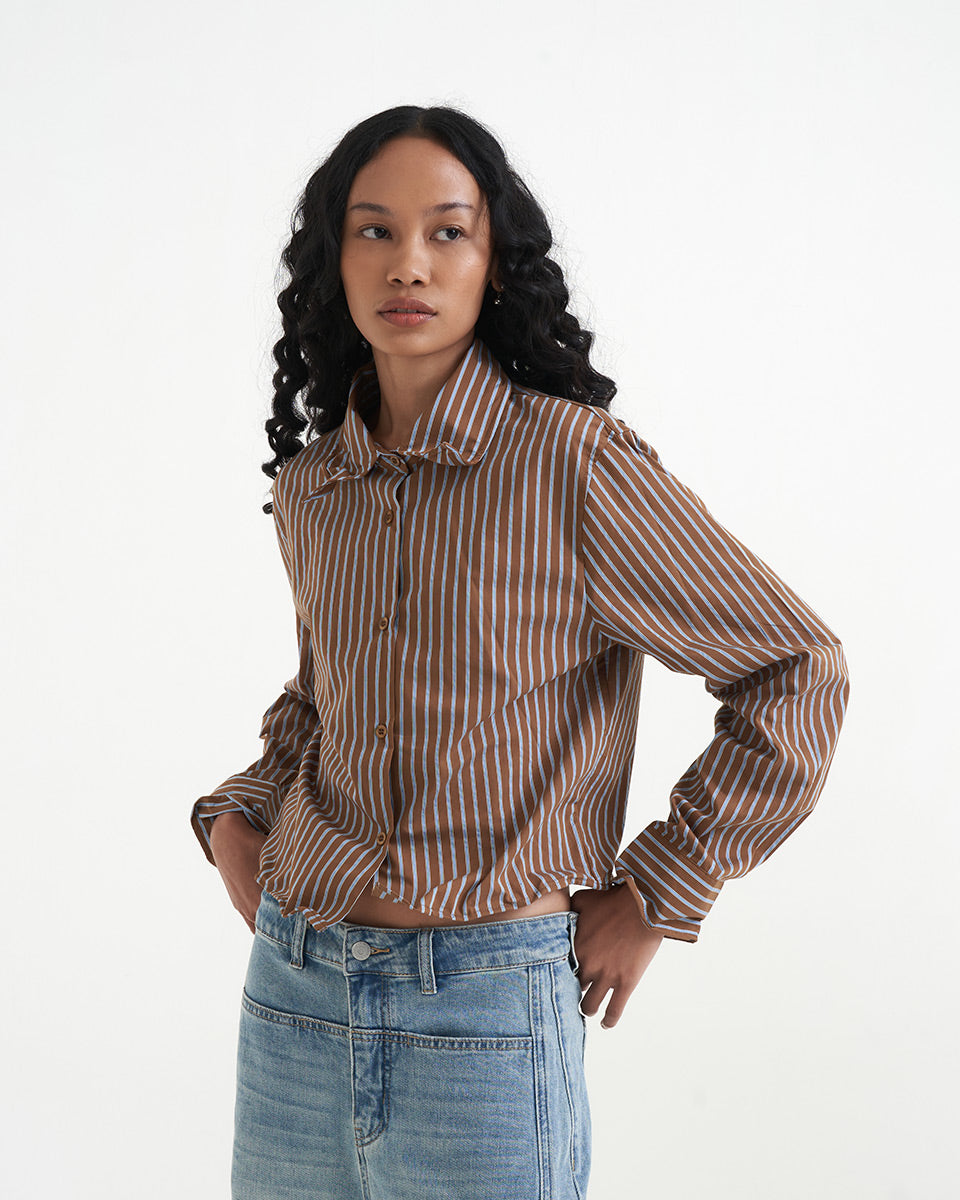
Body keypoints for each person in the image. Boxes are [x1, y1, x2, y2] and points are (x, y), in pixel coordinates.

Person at [190, 104, 850, 1200]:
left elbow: (796, 667)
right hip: (292, 999)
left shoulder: (575, 466)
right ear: (333, 262)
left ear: (494, 263)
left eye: (447, 231)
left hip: (486, 1009)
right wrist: (232, 818)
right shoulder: (317, 486)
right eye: (373, 230)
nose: (409, 262)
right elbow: (324, 702)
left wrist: (661, 889)